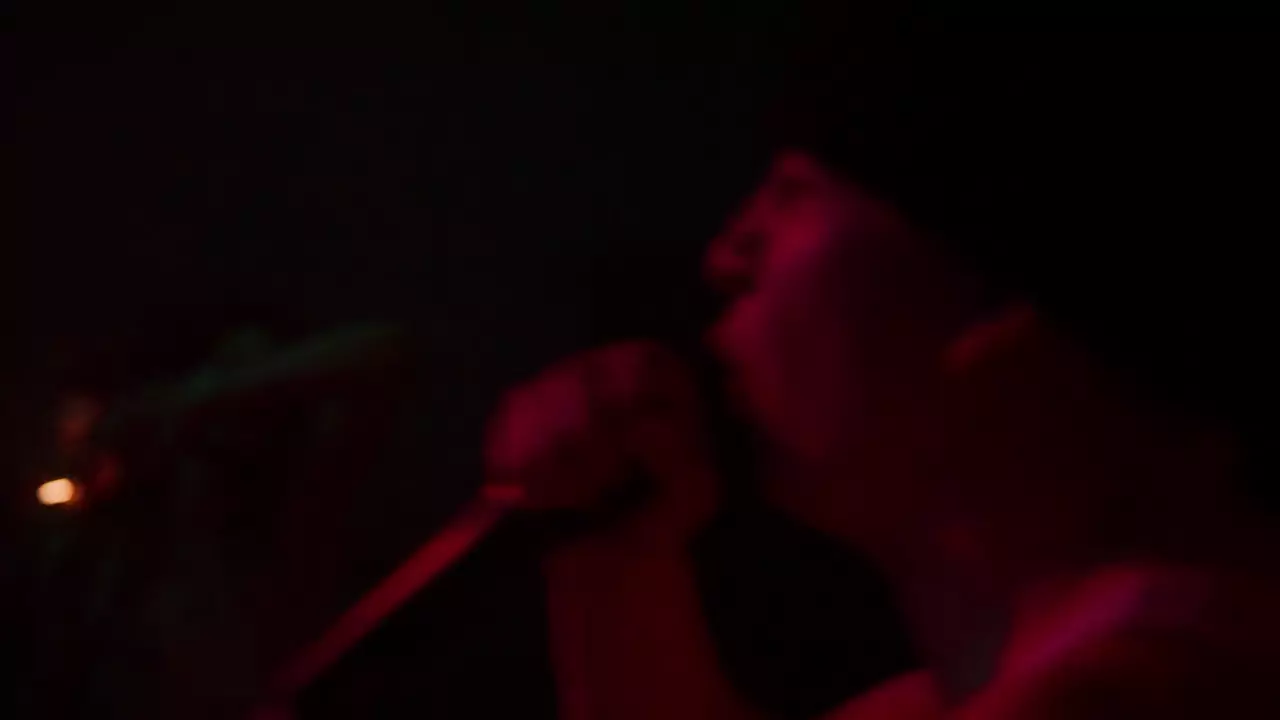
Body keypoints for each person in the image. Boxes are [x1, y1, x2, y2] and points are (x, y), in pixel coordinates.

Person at [484, 31, 1279, 719]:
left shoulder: (1153, 693)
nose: (725, 256)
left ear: (1001, 298)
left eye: (793, 194)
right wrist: (617, 557)